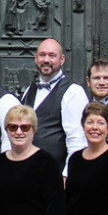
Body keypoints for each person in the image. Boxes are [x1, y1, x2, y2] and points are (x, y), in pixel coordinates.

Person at [20, 38, 89, 172]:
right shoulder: (30, 89)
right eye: (42, 55)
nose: (46, 60)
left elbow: (77, 139)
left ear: (62, 60)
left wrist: (67, 175)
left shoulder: (73, 92)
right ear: (36, 58)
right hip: (27, 170)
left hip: (55, 173)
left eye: (52, 55)